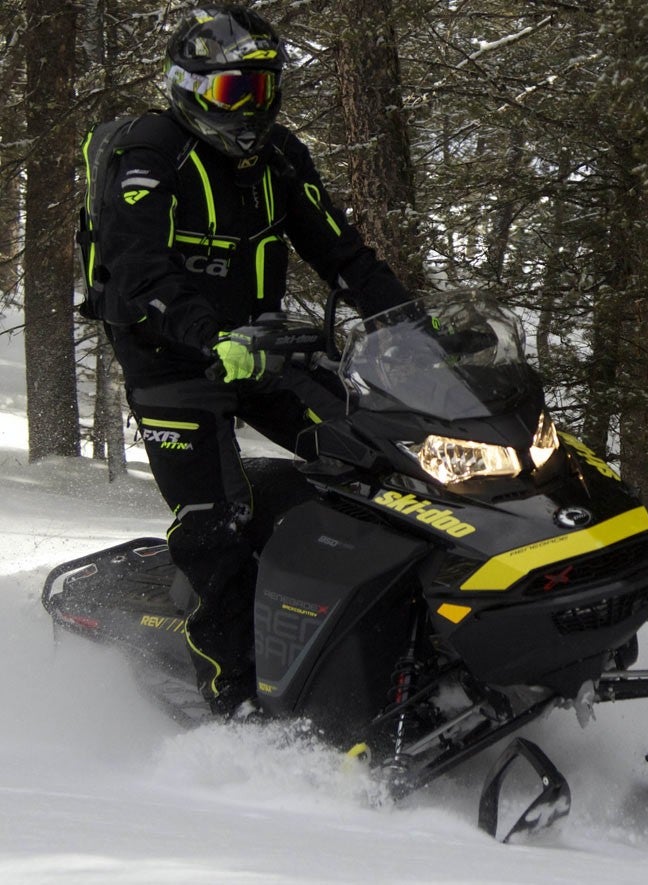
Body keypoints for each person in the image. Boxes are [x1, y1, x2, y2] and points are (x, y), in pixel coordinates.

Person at [95, 4, 411, 719]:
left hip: (261, 347)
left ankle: (399, 639)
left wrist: (410, 321)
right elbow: (138, 272)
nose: (257, 108)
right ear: (193, 87)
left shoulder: (279, 158)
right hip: (170, 359)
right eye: (241, 92)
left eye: (268, 90)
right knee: (215, 527)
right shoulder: (148, 155)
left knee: (381, 454)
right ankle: (235, 705)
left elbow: (343, 254)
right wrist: (210, 337)